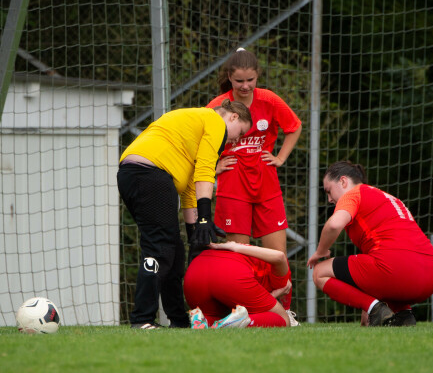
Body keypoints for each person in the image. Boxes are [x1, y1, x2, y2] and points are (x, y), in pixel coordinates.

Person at [117, 99, 252, 329]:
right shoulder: (214, 121)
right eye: (239, 133)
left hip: (132, 175)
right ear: (233, 117)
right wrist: (205, 217)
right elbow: (205, 170)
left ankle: (179, 321)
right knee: (159, 247)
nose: (235, 140)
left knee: (174, 251)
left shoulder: (191, 132)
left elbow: (190, 189)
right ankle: (142, 319)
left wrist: (195, 236)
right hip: (151, 174)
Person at [206, 48, 302, 325]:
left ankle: (286, 314)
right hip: (233, 186)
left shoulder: (269, 99)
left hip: (266, 185)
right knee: (238, 256)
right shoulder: (217, 107)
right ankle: (240, 314)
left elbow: (293, 126)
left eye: (251, 80)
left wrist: (281, 157)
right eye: (239, 81)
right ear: (229, 79)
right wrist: (214, 168)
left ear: (257, 76)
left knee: (278, 257)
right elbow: (200, 140)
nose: (246, 86)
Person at [307, 161, 433, 326]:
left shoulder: (353, 194)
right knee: (376, 263)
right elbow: (372, 270)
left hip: (397, 270)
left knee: (319, 272)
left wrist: (321, 251)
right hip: (431, 275)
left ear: (343, 181)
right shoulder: (388, 198)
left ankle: (376, 309)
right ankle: (403, 314)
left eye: (329, 191)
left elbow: (334, 224)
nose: (329, 199)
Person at [184, 241, 291, 328]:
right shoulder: (281, 280)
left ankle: (204, 321)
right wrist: (234, 246)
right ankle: (236, 325)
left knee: (223, 316)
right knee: (283, 319)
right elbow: (280, 257)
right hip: (230, 273)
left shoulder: (253, 256)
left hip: (194, 272)